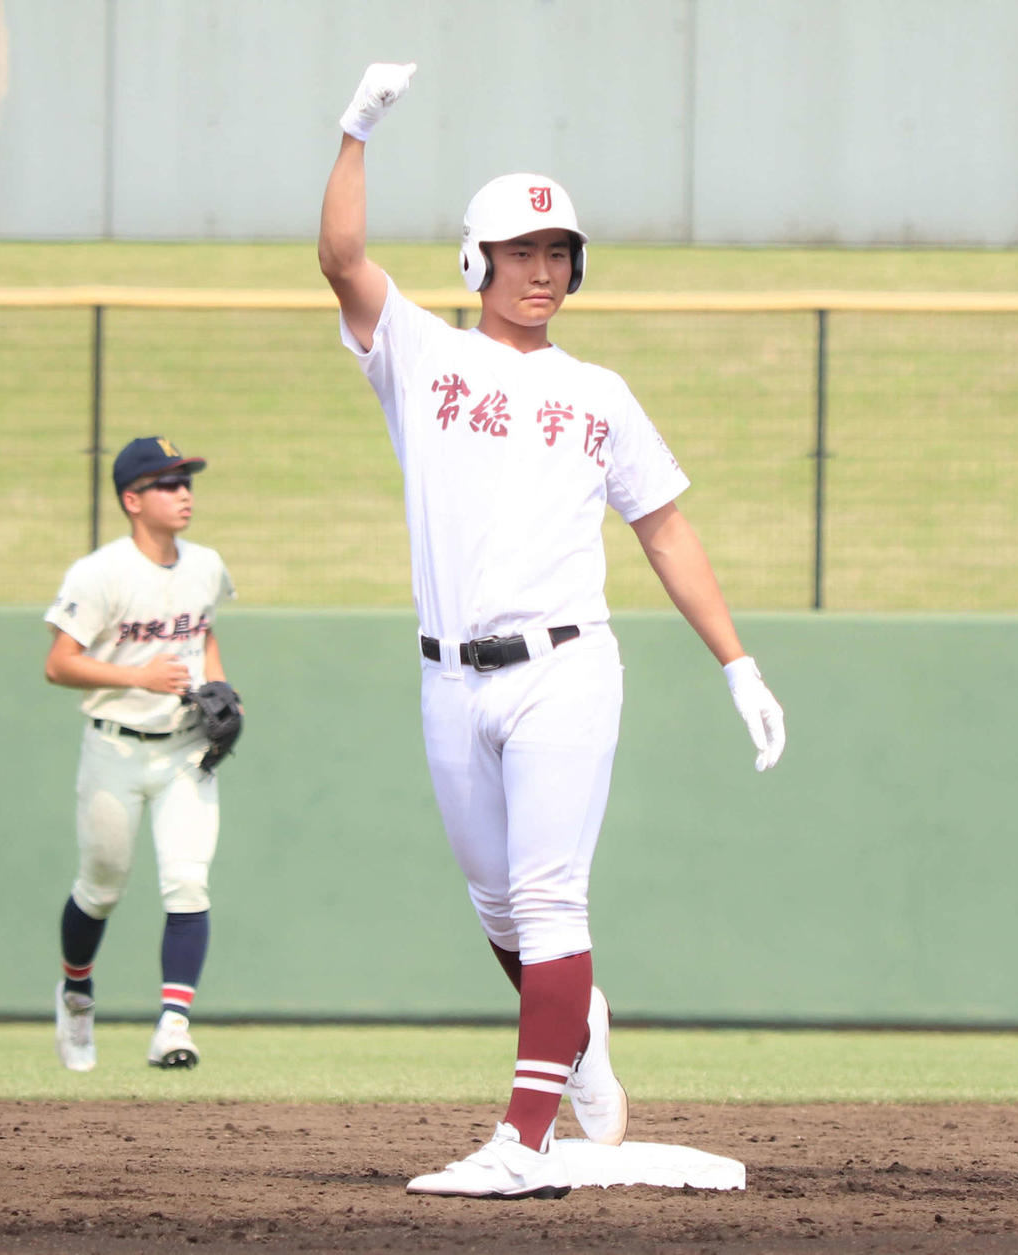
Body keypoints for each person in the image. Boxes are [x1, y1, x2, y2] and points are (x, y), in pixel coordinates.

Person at [319, 63, 786, 1199]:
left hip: (564, 666)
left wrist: (739, 662)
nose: (544, 270)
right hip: (446, 678)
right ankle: (580, 1041)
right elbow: (340, 260)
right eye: (523, 251)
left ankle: (521, 1142)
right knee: (497, 906)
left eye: (559, 253)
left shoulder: (601, 392)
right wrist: (356, 128)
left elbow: (666, 532)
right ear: (477, 263)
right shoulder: (427, 358)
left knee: (546, 897)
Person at [43, 436, 237, 1072]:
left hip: (183, 750)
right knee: (101, 888)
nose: (183, 493)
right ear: (132, 500)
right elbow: (59, 664)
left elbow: (202, 632)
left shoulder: (205, 564)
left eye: (186, 481)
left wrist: (221, 687)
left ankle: (173, 1025)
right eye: (167, 483)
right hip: (114, 749)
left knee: (187, 880)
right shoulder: (99, 574)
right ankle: (76, 992)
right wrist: (137, 679)